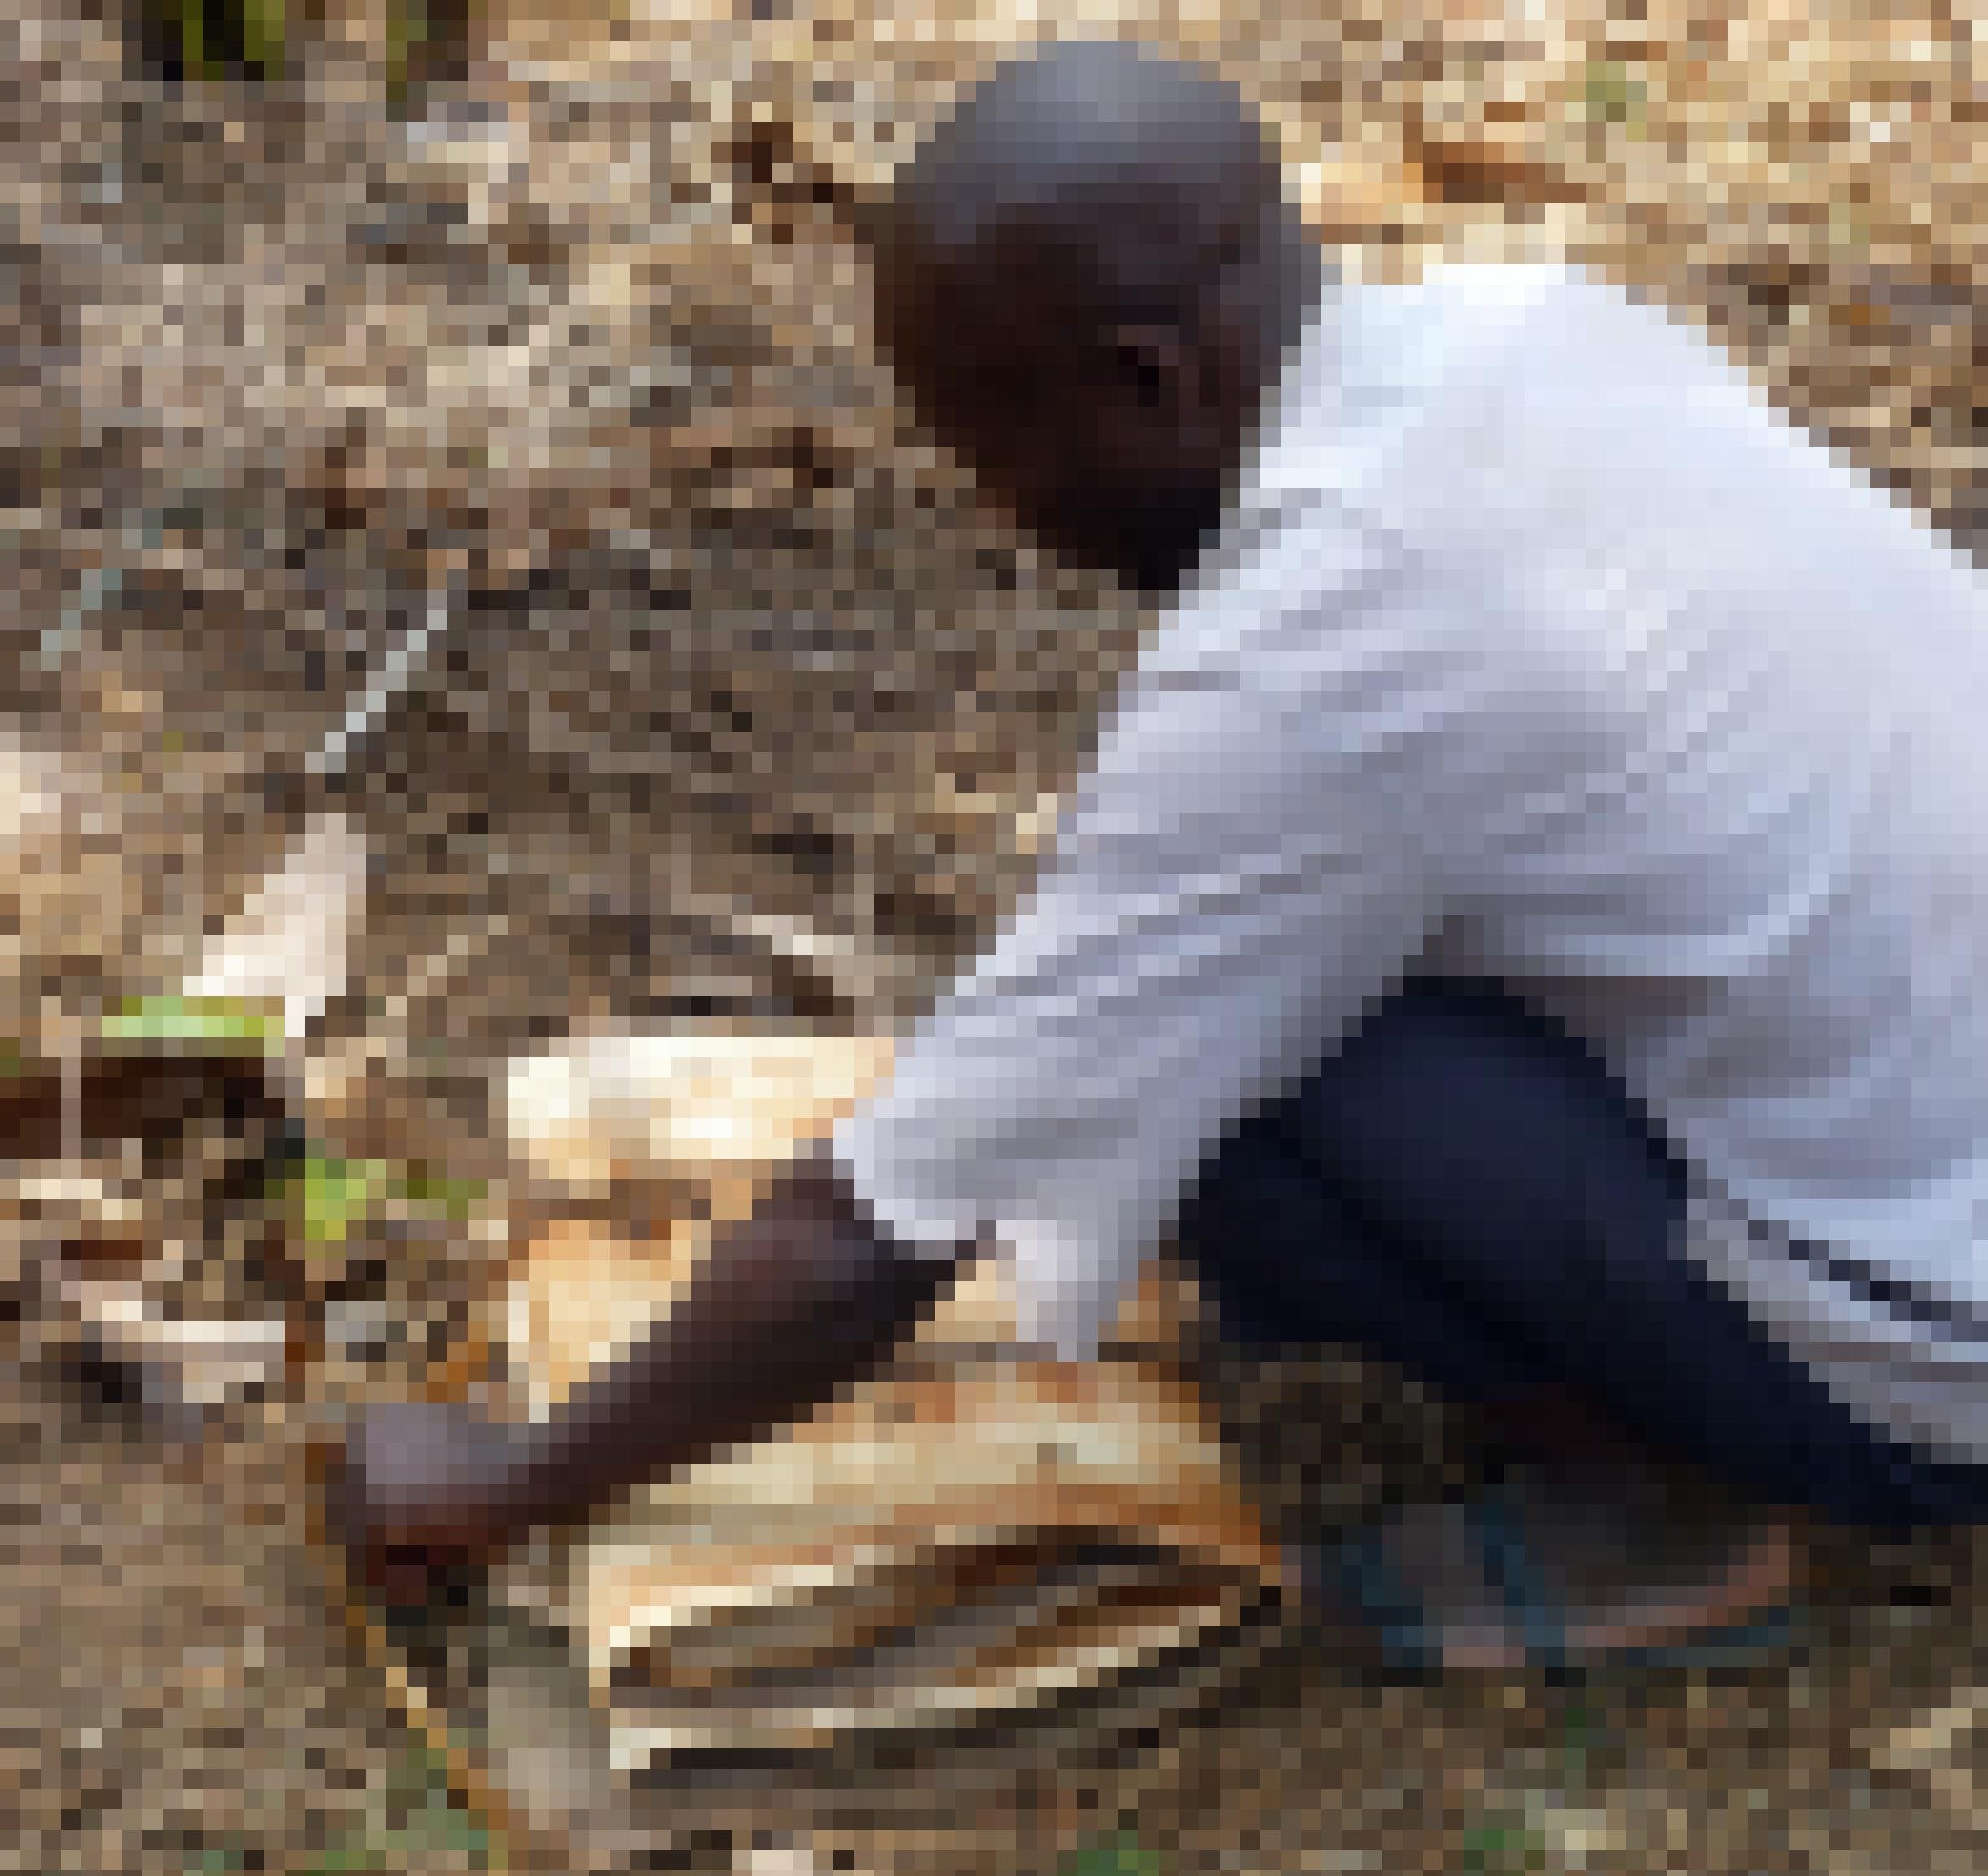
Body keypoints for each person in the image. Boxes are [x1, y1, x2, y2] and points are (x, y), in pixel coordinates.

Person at [336, 37, 1988, 1671]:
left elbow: (885, 1222)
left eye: (997, 455)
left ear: (1146, 379)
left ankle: (1660, 1508)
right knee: (1253, 999)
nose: (1009, 515)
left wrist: (519, 1475)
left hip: (1936, 1358)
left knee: (1222, 1090)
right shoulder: (1529, 331)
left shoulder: (1320, 650)